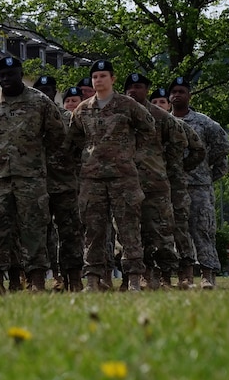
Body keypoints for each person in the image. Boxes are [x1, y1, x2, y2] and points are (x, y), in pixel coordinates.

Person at [0, 60, 65, 293]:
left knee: (34, 228)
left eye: (11, 74)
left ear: (21, 75)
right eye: (2, 75)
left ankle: (36, 279)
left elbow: (57, 134)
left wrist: (37, 155)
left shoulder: (39, 101)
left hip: (30, 177)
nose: (6, 79)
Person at [69, 60, 155, 292]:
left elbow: (148, 128)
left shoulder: (127, 105)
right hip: (92, 178)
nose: (98, 80)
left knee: (128, 229)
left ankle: (134, 279)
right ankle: (93, 280)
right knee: (93, 231)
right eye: (95, 77)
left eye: (103, 76)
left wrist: (131, 153)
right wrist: (89, 154)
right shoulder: (83, 109)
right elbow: (74, 136)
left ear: (113, 79)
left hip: (123, 177)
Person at [124, 72, 186, 289]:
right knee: (131, 233)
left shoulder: (161, 116)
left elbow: (179, 142)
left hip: (155, 183)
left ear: (147, 89)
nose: (133, 90)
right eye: (129, 87)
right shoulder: (120, 114)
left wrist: (166, 165)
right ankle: (141, 274)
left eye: (138, 86)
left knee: (160, 231)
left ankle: (165, 276)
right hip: (126, 182)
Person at [169, 76, 229, 289]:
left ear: (189, 95)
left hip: (199, 187)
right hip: (173, 187)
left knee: (203, 229)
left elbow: (222, 145)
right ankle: (184, 275)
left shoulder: (204, 122)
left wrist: (204, 168)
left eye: (181, 91)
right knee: (177, 232)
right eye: (174, 92)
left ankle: (207, 274)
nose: (177, 95)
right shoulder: (164, 121)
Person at [149, 85, 206, 289]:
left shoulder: (177, 125)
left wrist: (182, 168)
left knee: (180, 227)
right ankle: (162, 275)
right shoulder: (146, 125)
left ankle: (186, 273)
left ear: (168, 104)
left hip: (176, 186)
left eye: (162, 102)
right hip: (152, 186)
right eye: (154, 103)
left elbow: (198, 149)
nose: (158, 106)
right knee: (156, 229)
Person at [33, 75, 85, 292]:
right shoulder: (29, 118)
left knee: (70, 234)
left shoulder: (68, 118)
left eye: (49, 88)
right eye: (41, 88)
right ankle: (54, 276)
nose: (46, 92)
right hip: (36, 185)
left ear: (55, 92)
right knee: (41, 236)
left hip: (64, 184)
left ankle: (73, 277)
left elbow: (81, 147)